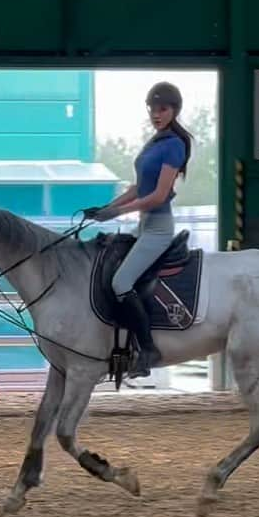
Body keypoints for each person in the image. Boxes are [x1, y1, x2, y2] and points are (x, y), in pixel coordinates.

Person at [85, 81, 191, 377]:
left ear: (174, 111)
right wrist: (106, 208)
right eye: (153, 109)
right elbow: (137, 188)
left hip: (158, 229)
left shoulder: (174, 145)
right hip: (143, 226)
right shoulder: (155, 142)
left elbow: (157, 196)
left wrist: (117, 212)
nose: (156, 114)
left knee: (121, 283)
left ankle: (147, 349)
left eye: (163, 109)